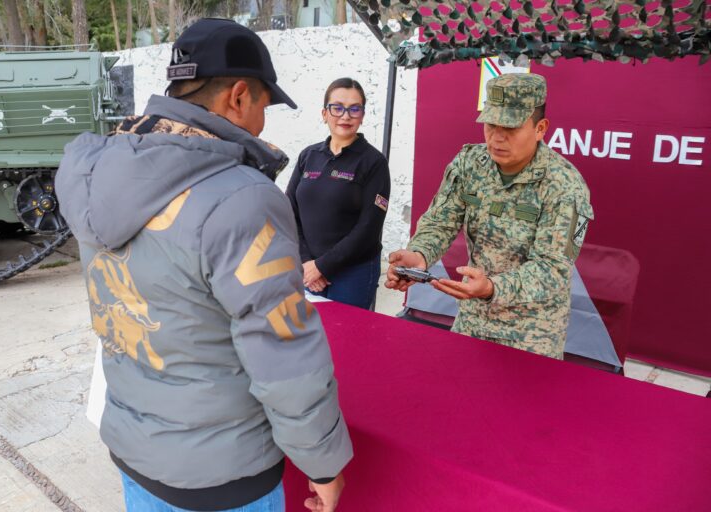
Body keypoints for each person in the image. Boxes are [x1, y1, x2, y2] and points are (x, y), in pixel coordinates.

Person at [56, 19, 352, 512]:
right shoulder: (241, 198)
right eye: (263, 104)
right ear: (238, 96)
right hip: (224, 474)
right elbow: (283, 352)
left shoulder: (103, 170)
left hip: (136, 452)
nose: (262, 120)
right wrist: (323, 462)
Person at [385, 73, 593, 359]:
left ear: (540, 128)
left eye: (510, 127)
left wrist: (493, 287)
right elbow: (440, 221)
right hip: (473, 318)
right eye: (491, 124)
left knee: (520, 403)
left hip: (533, 332)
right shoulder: (470, 163)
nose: (497, 137)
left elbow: (553, 269)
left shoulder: (565, 186)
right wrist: (419, 255)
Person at [285, 78, 390, 310]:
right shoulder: (308, 156)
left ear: (362, 115)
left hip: (353, 273)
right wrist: (306, 262)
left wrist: (323, 266)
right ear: (324, 113)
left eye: (355, 108)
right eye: (337, 107)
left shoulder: (374, 163)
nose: (346, 115)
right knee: (308, 338)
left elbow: (369, 228)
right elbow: (289, 211)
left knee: (347, 342)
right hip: (307, 269)